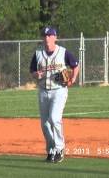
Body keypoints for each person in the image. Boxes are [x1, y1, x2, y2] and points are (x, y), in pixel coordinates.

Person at [29, 26, 79, 163]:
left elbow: (75, 65)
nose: (47, 38)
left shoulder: (63, 52)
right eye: (44, 36)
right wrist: (36, 74)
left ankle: (60, 149)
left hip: (59, 90)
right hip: (43, 91)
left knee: (54, 118)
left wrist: (73, 78)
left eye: (49, 36)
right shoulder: (38, 53)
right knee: (45, 124)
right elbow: (32, 70)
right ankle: (51, 150)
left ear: (55, 37)